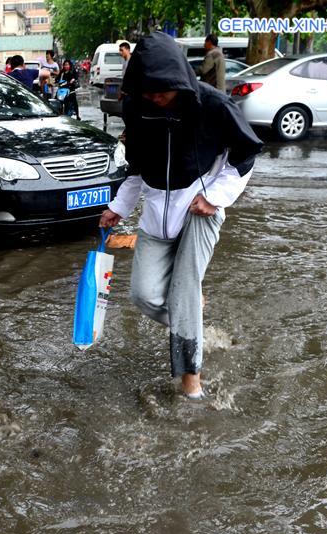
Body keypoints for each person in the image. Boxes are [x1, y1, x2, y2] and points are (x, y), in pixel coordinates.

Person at [99, 32, 262, 401]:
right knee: (143, 294)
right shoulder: (136, 109)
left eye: (163, 89)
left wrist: (215, 198)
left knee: (185, 291)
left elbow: (246, 155)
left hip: (199, 210)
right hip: (158, 214)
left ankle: (192, 383)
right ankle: (194, 324)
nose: (156, 96)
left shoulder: (213, 105)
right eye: (148, 89)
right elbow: (137, 169)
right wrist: (117, 208)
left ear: (178, 79)